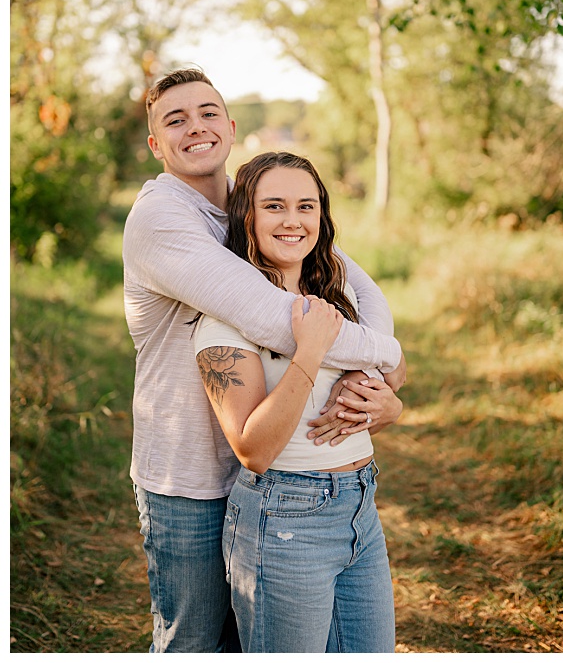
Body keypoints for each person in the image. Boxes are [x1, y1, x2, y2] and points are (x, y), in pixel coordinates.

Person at [123, 69, 404, 652]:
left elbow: (356, 283)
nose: (195, 128)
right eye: (175, 120)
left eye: (207, 113)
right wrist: (383, 356)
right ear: (156, 144)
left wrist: (382, 378)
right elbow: (280, 318)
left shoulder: (252, 204)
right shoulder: (161, 217)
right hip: (193, 473)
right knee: (198, 642)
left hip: (275, 474)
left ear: (231, 126)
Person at [195, 152, 397, 652]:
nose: (293, 220)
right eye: (274, 206)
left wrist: (391, 408)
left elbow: (392, 371)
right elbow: (253, 449)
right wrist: (310, 353)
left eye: (306, 206)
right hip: (284, 517)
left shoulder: (333, 294)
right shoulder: (225, 322)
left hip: (360, 506)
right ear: (248, 216)